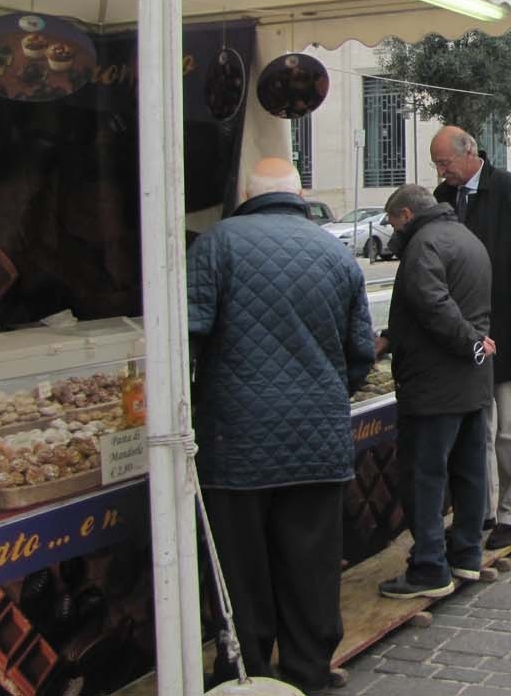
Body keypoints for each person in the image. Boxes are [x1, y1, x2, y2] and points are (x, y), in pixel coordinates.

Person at [186, 158, 374, 693]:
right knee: (311, 564)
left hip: (236, 440)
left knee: (240, 570)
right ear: (300, 195)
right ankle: (308, 672)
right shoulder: (335, 253)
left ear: (248, 195)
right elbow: (360, 352)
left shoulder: (217, 244)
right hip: (318, 439)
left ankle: (245, 673)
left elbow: (188, 339)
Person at [431, 126, 511, 551]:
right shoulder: (443, 198)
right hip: (465, 339)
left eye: (445, 163)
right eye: (436, 165)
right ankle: (477, 511)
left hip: (509, 332)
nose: (441, 172)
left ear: (469, 153)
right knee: (473, 432)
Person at [379, 185, 496, 600]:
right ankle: (466, 553)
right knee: (469, 471)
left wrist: (469, 343)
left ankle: (429, 566)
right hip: (471, 380)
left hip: (434, 382)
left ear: (406, 215)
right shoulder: (466, 237)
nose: (392, 232)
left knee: (424, 476)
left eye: (393, 223)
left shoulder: (422, 246)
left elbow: (433, 304)